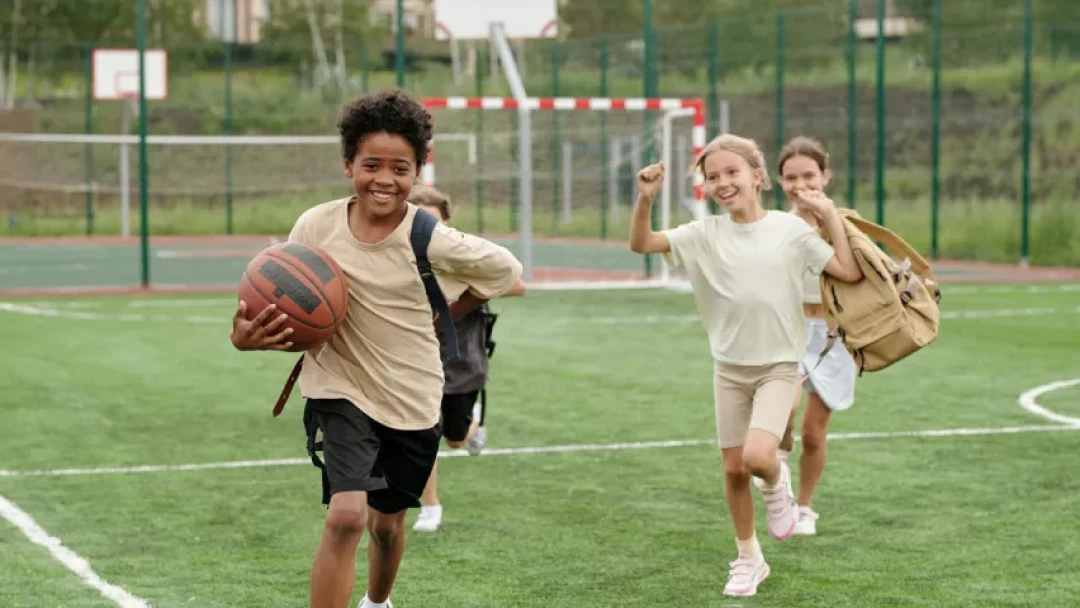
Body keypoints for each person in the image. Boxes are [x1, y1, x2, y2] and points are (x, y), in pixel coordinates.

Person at [228, 89, 523, 608]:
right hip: (338, 385)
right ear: (348, 165)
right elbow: (274, 301)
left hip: (410, 395)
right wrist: (245, 337)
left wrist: (447, 311)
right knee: (346, 516)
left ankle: (377, 603)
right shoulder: (314, 226)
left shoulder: (430, 237)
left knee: (387, 526)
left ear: (418, 172)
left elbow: (506, 270)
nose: (384, 179)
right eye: (371, 165)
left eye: (400, 168)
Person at [628, 134, 862, 597]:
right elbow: (642, 243)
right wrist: (645, 199)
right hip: (728, 369)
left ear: (758, 177)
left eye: (732, 172)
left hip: (779, 365)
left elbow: (848, 271)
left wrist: (830, 215)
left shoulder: (789, 230)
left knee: (758, 459)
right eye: (712, 177)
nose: (722, 182)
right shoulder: (703, 234)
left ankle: (779, 491)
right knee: (734, 470)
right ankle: (748, 557)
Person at [408, 186, 526, 533]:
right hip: (415, 360)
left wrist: (463, 295)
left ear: (445, 223)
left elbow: (517, 284)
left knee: (455, 439)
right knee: (422, 432)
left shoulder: (462, 253)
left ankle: (472, 425)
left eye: (432, 220)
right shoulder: (397, 255)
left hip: (461, 361)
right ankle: (430, 505)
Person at [772, 136, 861, 537]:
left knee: (814, 432)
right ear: (778, 181)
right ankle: (778, 461)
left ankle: (804, 508)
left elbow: (858, 272)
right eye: (791, 177)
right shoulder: (775, 226)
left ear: (826, 176)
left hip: (833, 337)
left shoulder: (848, 220)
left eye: (809, 175)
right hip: (788, 331)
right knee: (783, 411)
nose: (800, 184)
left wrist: (831, 220)